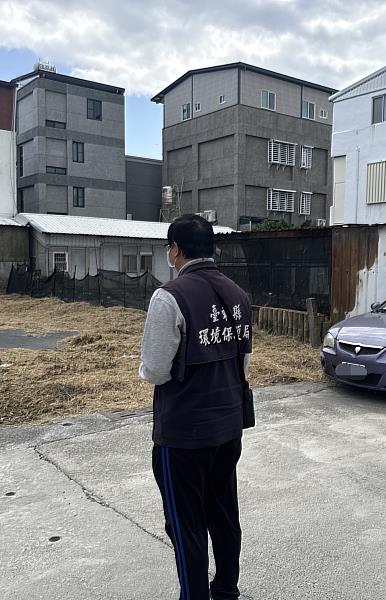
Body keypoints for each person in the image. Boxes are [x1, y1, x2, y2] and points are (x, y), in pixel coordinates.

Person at [139, 214, 252, 600]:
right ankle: (226, 591)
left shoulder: (169, 296)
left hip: (183, 434)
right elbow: (243, 364)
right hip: (228, 427)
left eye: (168, 247)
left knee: (185, 526)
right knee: (223, 515)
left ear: (176, 250)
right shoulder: (238, 295)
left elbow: (154, 371)